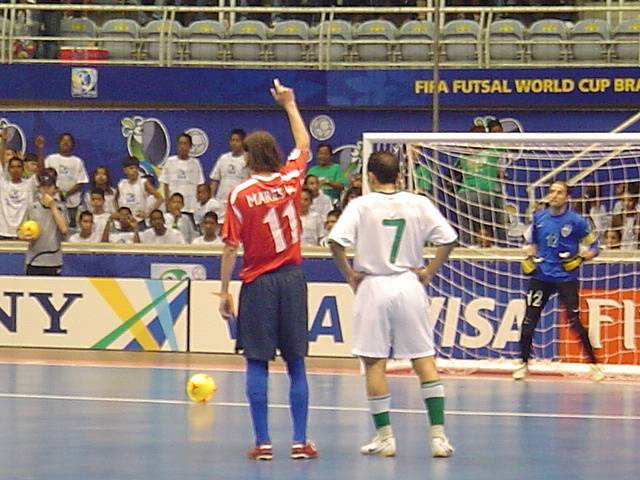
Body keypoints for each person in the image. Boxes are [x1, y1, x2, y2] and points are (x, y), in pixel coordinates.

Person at [328, 150, 458, 459]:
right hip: (408, 284)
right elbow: (448, 239)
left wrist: (349, 274)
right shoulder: (418, 202)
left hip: (373, 284)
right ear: (398, 175)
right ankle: (438, 438)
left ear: (370, 176)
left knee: (374, 362)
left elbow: (336, 242)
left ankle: (386, 437)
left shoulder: (361, 205)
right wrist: (429, 270)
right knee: (423, 359)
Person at [218, 79, 317, 461]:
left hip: (257, 282)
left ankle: (262, 443)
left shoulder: (240, 194)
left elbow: (230, 246)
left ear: (246, 159)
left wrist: (225, 291)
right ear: (274, 154)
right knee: (296, 362)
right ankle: (300, 442)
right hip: (292, 279)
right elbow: (304, 145)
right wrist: (290, 104)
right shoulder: (291, 180)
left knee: (256, 361)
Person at [516, 181, 604, 382]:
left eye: (559, 192)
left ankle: (594, 365)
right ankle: (523, 364)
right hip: (541, 277)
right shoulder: (538, 218)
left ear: (567, 197)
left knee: (574, 321)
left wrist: (581, 258)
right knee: (529, 321)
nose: (554, 195)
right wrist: (529, 255)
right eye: (552, 192)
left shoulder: (577, 221)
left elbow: (595, 247)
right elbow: (529, 243)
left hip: (566, 278)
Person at [18, 172, 68, 275]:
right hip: (34, 260)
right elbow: (20, 230)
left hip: (53, 260)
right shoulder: (32, 207)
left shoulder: (61, 208)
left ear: (55, 189)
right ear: (39, 188)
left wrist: (52, 205)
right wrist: (24, 236)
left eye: (49, 186)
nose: (46, 190)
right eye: (43, 186)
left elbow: (64, 229)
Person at [40, 133, 89, 230]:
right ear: (58, 143)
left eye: (68, 141)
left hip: (72, 205)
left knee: (70, 229)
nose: (66, 143)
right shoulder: (51, 158)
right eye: (63, 140)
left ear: (73, 144)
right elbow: (42, 175)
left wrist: (65, 193)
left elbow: (81, 181)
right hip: (52, 202)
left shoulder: (77, 161)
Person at [209, 128, 250, 220]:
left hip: (239, 202)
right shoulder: (223, 158)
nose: (234, 143)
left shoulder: (248, 159)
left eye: (237, 141)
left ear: (243, 142)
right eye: (232, 140)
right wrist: (212, 197)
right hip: (221, 201)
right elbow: (215, 179)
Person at [159, 133, 205, 214]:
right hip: (173, 207)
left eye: (185, 143)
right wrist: (167, 203)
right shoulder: (170, 161)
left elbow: (200, 185)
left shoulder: (195, 163)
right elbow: (166, 185)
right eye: (180, 143)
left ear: (190, 146)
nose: (182, 146)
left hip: (190, 207)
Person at [116, 156, 163, 227]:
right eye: (131, 168)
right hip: (124, 222)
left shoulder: (143, 182)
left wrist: (148, 213)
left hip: (139, 221)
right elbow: (114, 200)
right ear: (125, 170)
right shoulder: (122, 184)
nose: (134, 170)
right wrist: (118, 212)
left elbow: (160, 198)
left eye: (136, 168)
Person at [0, 156, 37, 240]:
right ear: (8, 170)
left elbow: (41, 172)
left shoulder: (30, 184)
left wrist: (40, 149)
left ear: (23, 169)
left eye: (18, 166)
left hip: (23, 233)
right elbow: (1, 161)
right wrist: (3, 143)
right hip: (2, 232)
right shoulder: (2, 184)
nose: (15, 170)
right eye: (12, 167)